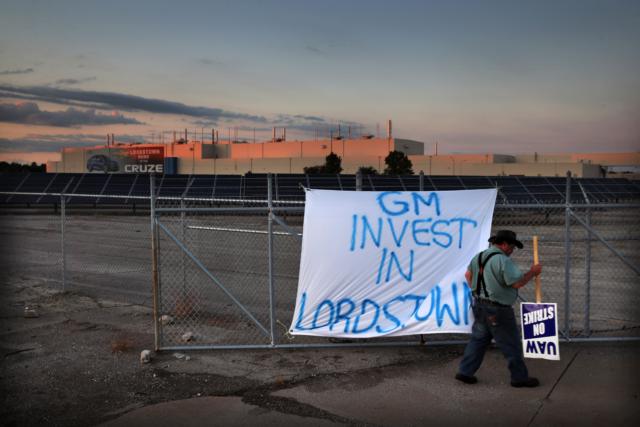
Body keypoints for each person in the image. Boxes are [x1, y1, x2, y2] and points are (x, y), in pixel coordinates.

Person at [455, 229, 542, 388]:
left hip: (479, 305)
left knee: (478, 340)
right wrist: (533, 272)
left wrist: (476, 291)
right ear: (504, 244)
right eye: (512, 247)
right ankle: (519, 378)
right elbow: (517, 283)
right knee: (511, 343)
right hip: (498, 310)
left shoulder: (479, 256)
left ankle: (465, 372)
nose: (512, 251)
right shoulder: (502, 260)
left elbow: (468, 275)